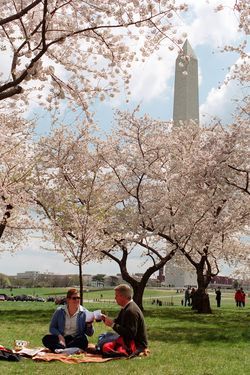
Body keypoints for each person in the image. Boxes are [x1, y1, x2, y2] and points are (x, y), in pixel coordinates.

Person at [100, 284, 148, 355]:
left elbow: (130, 334)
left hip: (135, 344)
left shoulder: (131, 311)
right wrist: (106, 319)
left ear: (123, 297)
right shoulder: (126, 307)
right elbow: (118, 322)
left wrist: (112, 325)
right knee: (104, 335)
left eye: (116, 296)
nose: (115, 298)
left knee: (102, 342)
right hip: (126, 339)